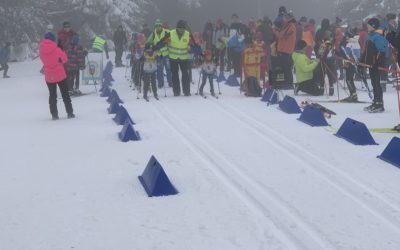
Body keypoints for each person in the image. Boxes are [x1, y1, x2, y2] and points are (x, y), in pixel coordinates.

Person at [39, 32, 75, 120]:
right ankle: (69, 113)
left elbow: (44, 61)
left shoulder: (41, 50)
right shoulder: (57, 49)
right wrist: (61, 50)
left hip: (49, 75)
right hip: (60, 74)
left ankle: (54, 115)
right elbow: (64, 60)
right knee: (65, 94)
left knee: (52, 95)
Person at [156, 20, 196, 96]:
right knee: (174, 75)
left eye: (183, 29)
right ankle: (176, 92)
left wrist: (194, 49)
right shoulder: (170, 33)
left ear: (185, 29)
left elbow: (195, 46)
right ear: (176, 28)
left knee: (185, 75)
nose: (181, 30)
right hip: (173, 58)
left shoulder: (188, 35)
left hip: (183, 58)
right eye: (179, 29)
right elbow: (160, 43)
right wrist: (158, 46)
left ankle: (186, 91)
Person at [361, 17, 389, 113]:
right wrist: (362, 62)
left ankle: (380, 104)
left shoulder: (377, 36)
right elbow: (367, 52)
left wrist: (376, 63)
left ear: (373, 26)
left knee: (377, 83)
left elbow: (382, 52)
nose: (367, 27)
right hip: (371, 65)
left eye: (368, 25)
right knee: (374, 83)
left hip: (376, 65)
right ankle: (375, 102)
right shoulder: (371, 36)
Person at [273, 12, 296, 85]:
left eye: (285, 17)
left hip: (286, 51)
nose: (283, 19)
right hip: (283, 50)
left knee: (287, 68)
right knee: (282, 68)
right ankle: (282, 82)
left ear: (289, 18)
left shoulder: (290, 26)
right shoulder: (287, 26)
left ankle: (288, 83)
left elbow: (281, 35)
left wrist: (275, 31)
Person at [147, 19, 172, 88]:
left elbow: (172, 37)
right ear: (155, 27)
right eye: (156, 26)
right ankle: (160, 83)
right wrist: (150, 46)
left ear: (161, 26)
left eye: (159, 26)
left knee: (169, 69)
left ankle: (171, 82)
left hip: (166, 54)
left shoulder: (166, 32)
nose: (158, 27)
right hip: (158, 55)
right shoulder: (153, 34)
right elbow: (148, 42)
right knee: (159, 69)